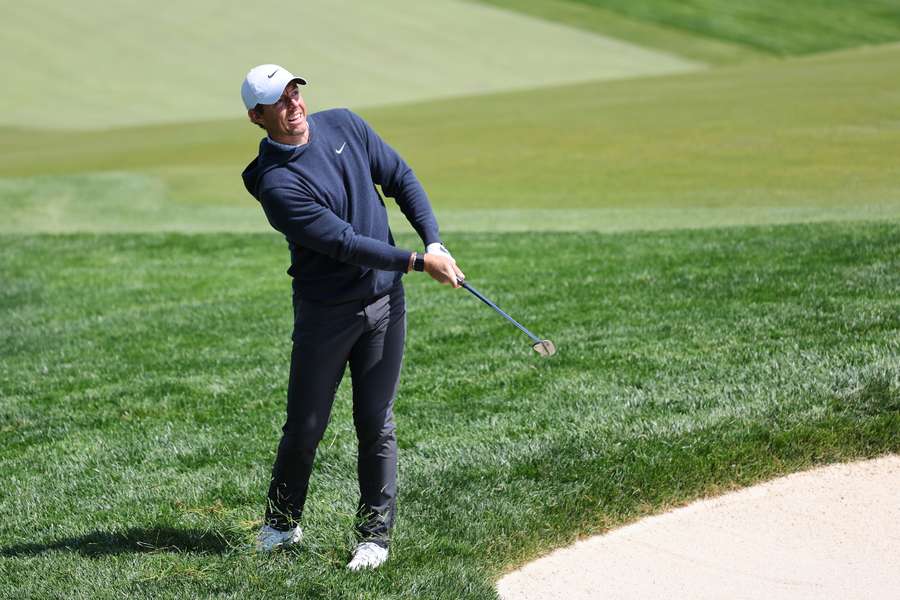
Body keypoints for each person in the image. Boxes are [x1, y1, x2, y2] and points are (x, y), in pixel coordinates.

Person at [240, 64, 464, 571]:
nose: (294, 103)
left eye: (295, 91)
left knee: (375, 422)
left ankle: (374, 538)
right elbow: (343, 244)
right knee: (305, 425)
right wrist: (416, 262)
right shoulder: (277, 185)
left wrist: (433, 239)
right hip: (326, 314)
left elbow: (400, 176)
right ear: (258, 116)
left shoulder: (345, 124)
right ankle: (281, 523)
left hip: (385, 305)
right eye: (279, 100)